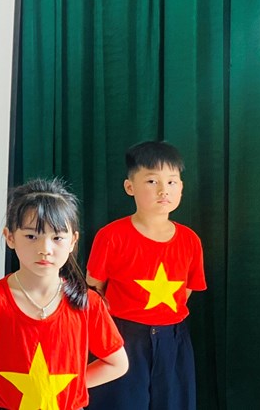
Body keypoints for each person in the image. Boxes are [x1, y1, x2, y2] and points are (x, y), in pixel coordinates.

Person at [0, 178, 128, 410]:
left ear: (73, 241)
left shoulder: (88, 303)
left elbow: (117, 364)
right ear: (10, 237)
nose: (45, 249)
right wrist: (0, 384)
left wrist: (65, 388)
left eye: (57, 238)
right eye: (31, 236)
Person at [86, 141, 206, 410]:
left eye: (172, 182)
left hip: (173, 339)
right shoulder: (111, 236)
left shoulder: (190, 240)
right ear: (130, 187)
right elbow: (95, 286)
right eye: (152, 181)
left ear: (181, 187)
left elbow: (187, 290)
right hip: (122, 338)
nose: (164, 190)